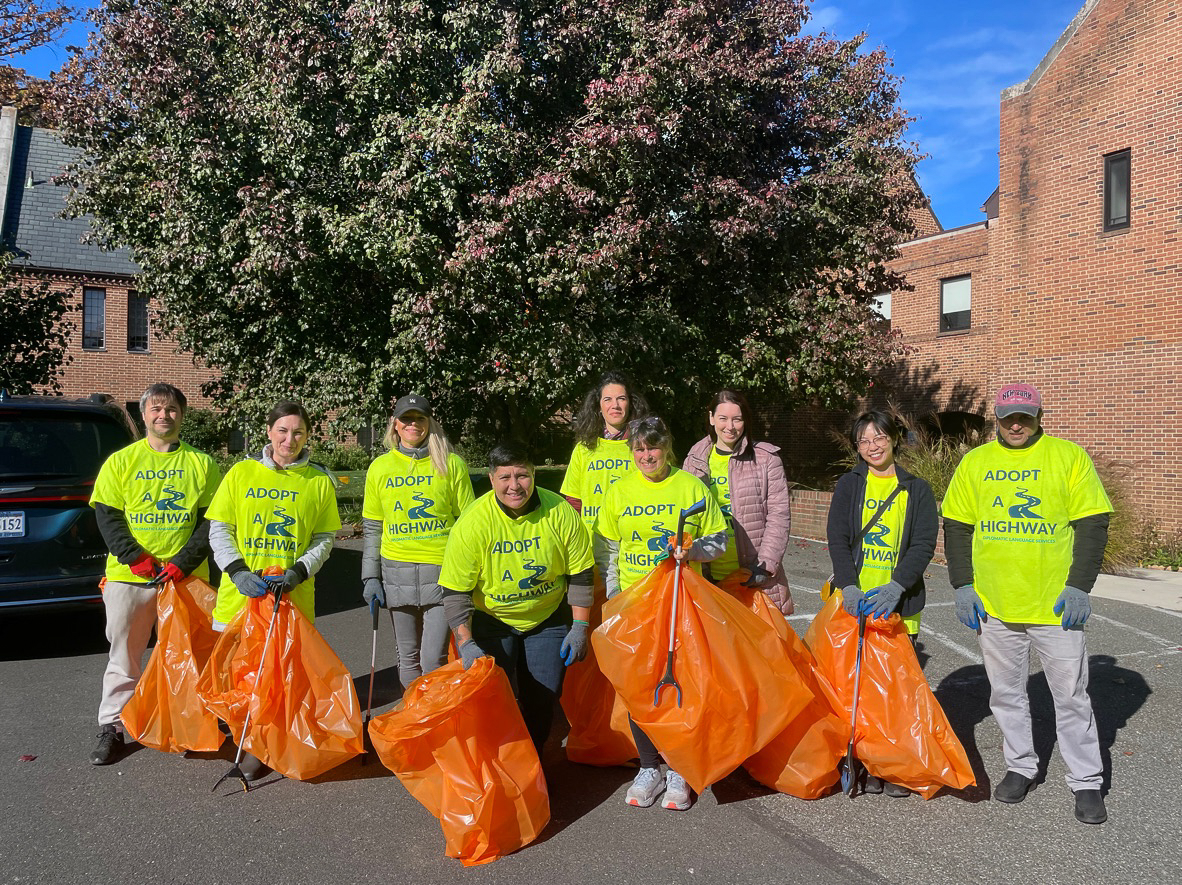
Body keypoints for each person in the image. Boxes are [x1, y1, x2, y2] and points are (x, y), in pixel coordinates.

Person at [943, 383, 1112, 825]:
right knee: (1006, 694)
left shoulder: (1068, 457)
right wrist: (963, 584)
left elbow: (1093, 524)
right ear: (995, 418)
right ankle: (1020, 766)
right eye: (1008, 417)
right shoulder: (976, 462)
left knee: (1071, 696)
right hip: (996, 605)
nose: (1016, 424)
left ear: (1039, 415)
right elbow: (957, 525)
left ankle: (1086, 780)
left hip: (1055, 607)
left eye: (1025, 415)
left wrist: (1079, 585)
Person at [595, 416, 728, 811]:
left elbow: (719, 539)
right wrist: (617, 596)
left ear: (667, 446)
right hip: (637, 604)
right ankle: (649, 766)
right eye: (639, 449)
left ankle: (679, 769)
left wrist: (696, 550)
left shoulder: (691, 487)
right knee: (640, 686)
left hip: (682, 602)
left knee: (681, 686)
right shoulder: (619, 491)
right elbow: (608, 550)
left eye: (653, 447)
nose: (646, 455)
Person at [206, 400, 341, 780]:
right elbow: (220, 529)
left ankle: (261, 746)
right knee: (240, 674)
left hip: (290, 597)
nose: (289, 439)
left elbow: (325, 537)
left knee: (280, 675)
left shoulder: (317, 480)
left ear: (307, 435)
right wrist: (235, 571)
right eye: (282, 430)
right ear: (269, 432)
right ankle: (244, 736)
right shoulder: (241, 473)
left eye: (298, 432)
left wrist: (300, 570)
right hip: (243, 596)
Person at [89, 383, 221, 765]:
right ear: (144, 414)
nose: (164, 415)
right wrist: (135, 558)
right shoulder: (122, 461)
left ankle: (191, 724)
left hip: (185, 579)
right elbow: (108, 516)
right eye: (157, 409)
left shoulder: (202, 463)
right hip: (131, 578)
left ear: (183, 415)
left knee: (190, 655)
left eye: (172, 409)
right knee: (124, 656)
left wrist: (183, 561)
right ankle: (112, 726)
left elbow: (210, 521)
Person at [439, 442, 594, 754]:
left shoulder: (559, 511)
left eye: (522, 476)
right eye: (505, 477)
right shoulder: (472, 522)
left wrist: (580, 627)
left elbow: (580, 573)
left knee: (544, 695)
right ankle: (503, 763)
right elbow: (456, 592)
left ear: (533, 474)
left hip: (545, 617)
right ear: (491, 478)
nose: (514, 486)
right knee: (496, 697)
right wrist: (466, 643)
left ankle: (533, 760)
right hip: (492, 619)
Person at [825, 410, 939, 797]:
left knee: (895, 693)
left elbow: (923, 544)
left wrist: (896, 587)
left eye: (879, 438)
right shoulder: (849, 484)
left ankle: (890, 766)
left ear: (893, 439)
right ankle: (863, 760)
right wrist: (849, 586)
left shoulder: (916, 489)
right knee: (855, 689)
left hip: (897, 605)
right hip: (856, 604)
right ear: (858, 447)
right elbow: (837, 537)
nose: (872, 446)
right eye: (864, 441)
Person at [361, 394, 475, 689]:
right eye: (406, 419)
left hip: (442, 572)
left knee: (433, 660)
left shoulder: (452, 464)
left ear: (430, 423)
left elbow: (469, 525)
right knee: (408, 659)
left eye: (420, 418)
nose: (413, 424)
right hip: (395, 572)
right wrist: (370, 577)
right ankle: (413, 718)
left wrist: (471, 573)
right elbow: (374, 527)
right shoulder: (380, 468)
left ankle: (432, 724)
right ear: (395, 424)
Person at [682, 389, 794, 613]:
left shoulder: (766, 459)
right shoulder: (695, 459)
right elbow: (685, 514)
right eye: (723, 418)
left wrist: (765, 566)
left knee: (759, 646)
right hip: (708, 576)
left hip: (753, 576)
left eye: (737, 419)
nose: (730, 426)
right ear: (711, 418)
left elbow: (779, 516)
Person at [560, 371, 650, 536]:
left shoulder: (644, 446)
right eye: (607, 399)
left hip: (634, 537)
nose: (615, 405)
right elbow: (574, 501)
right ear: (599, 406)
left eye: (621, 399)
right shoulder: (584, 448)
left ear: (630, 404)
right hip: (593, 537)